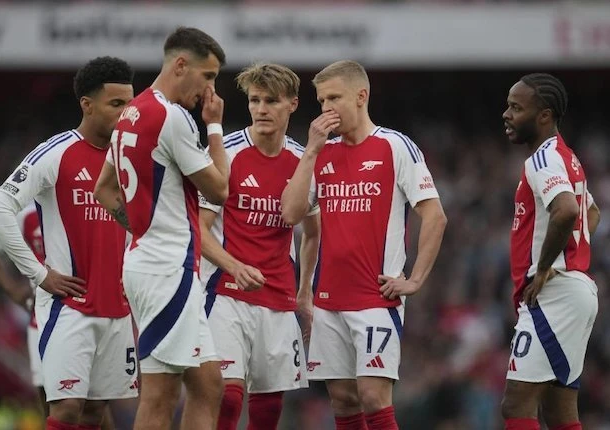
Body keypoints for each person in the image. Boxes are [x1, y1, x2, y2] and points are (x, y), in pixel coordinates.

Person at [281, 60, 447, 430]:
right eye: (322, 101)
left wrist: (415, 279)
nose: (326, 108)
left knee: (373, 396)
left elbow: (435, 215)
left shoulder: (395, 146)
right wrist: (310, 151)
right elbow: (290, 214)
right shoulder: (322, 153)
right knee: (342, 400)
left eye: (334, 98)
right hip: (328, 300)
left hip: (375, 297)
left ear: (361, 96)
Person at [0, 56, 137, 430]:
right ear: (87, 104)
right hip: (70, 307)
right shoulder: (56, 152)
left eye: (129, 105)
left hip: (119, 309)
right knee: (66, 409)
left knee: (95, 413)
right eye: (116, 104)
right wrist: (39, 275)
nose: (125, 114)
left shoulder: (131, 158)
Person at [93, 27, 229, 430]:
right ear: (180, 65)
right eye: (207, 76)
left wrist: (139, 230)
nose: (210, 90)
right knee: (161, 395)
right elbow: (220, 190)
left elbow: (104, 189)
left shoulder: (131, 113)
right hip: (167, 270)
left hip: (153, 264)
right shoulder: (172, 117)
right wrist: (215, 127)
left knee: (208, 384)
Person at [199, 63, 319, 430]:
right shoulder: (224, 153)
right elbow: (197, 230)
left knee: (268, 409)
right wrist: (233, 266)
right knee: (228, 397)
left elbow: (313, 232)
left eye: (271, 101)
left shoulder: (304, 161)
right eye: (255, 100)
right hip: (224, 292)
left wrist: (304, 293)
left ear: (292, 104)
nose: (261, 109)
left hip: (279, 297)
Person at [500, 73, 600, 430]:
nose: (506, 114)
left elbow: (568, 210)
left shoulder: (543, 160)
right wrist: (570, 255)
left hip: (555, 293)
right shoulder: (566, 157)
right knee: (559, 411)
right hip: (574, 290)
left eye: (516, 107)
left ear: (543, 115)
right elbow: (592, 212)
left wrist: (546, 266)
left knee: (516, 404)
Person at [0, 205, 46, 410]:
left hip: (87, 312)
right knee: (51, 402)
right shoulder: (28, 213)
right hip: (42, 319)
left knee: (93, 406)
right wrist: (12, 289)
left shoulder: (85, 205)